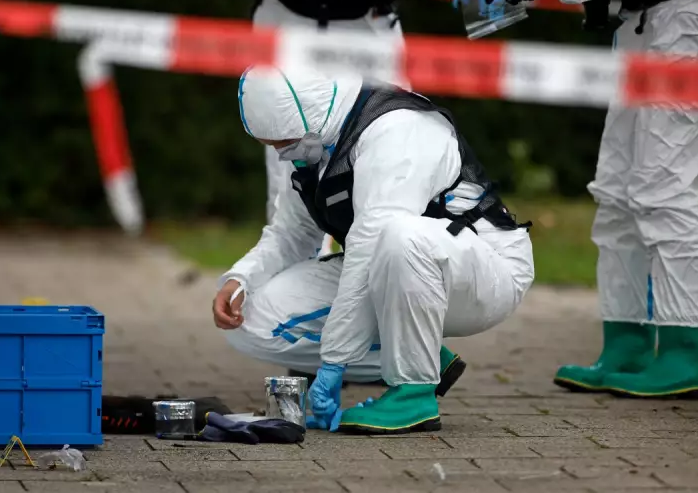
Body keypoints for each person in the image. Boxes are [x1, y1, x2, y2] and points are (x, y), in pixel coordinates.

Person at [212, 65, 535, 434]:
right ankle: (423, 355)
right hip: (393, 267)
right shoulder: (319, 141)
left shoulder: (400, 130)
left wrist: (334, 363)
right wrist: (241, 278)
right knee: (250, 320)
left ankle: (414, 390)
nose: (284, 154)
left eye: (284, 144)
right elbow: (292, 232)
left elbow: (371, 244)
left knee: (399, 235)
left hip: (484, 270)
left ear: (307, 117)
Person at [487, 0, 698, 398]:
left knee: (665, 190)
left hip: (685, 17)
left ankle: (687, 352)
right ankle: (627, 344)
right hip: (643, 21)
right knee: (617, 189)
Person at [237, 0, 405, 257]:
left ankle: (377, 292)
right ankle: (298, 296)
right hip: (286, 28)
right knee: (288, 187)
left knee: (392, 177)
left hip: (370, 30)